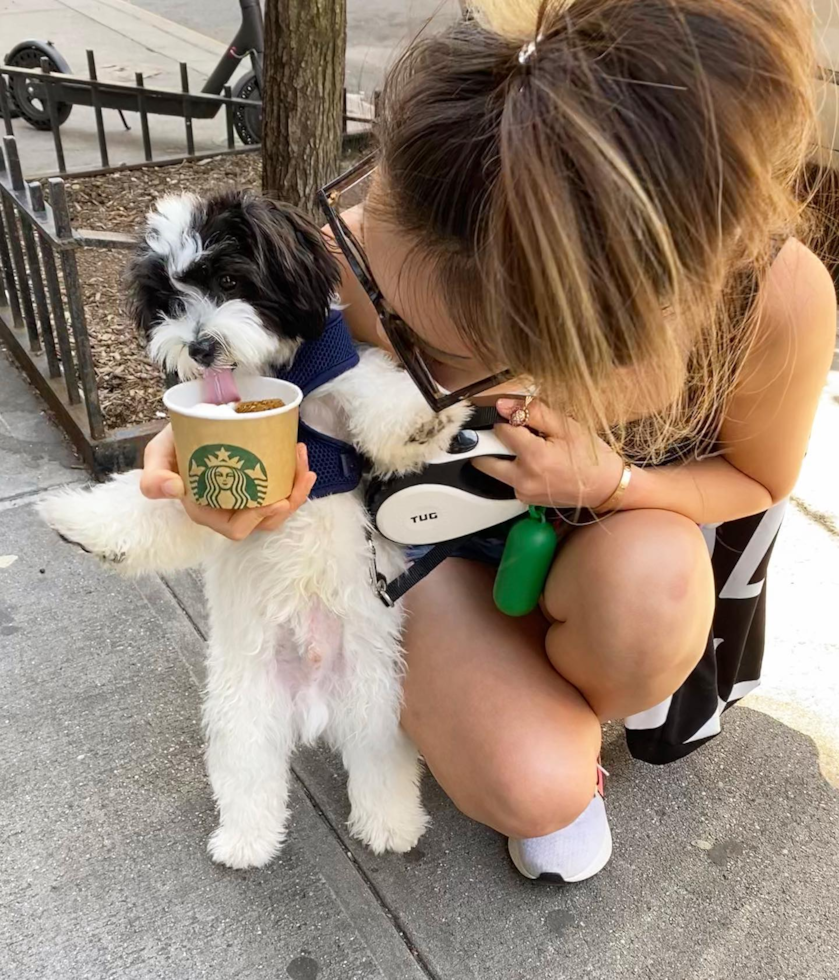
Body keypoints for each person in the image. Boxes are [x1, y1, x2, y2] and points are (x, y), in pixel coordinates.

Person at [140, 0, 836, 883]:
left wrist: (614, 479)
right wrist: (197, 440)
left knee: (652, 590)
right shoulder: (380, 232)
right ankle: (515, 720)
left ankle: (561, 692)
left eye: (454, 365)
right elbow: (255, 357)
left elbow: (755, 475)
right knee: (535, 784)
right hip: (420, 543)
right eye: (401, 333)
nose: (418, 366)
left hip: (600, 539)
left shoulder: (770, 300)